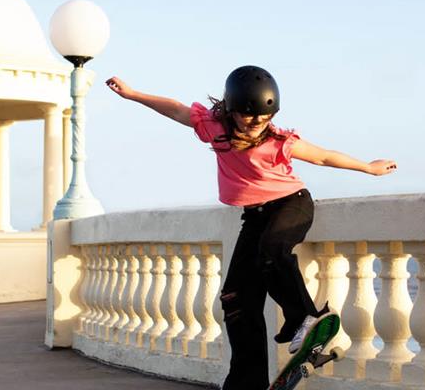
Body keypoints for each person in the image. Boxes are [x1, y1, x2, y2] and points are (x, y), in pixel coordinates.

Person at [106, 65, 397, 389]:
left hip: (291, 204)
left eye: (263, 118)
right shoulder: (213, 128)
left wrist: (368, 168)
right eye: (249, 117)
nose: (256, 125)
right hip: (254, 216)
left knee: (272, 251)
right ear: (231, 110)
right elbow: (175, 109)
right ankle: (246, 381)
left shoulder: (279, 141)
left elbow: (323, 157)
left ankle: (306, 318)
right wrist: (132, 94)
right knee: (235, 298)